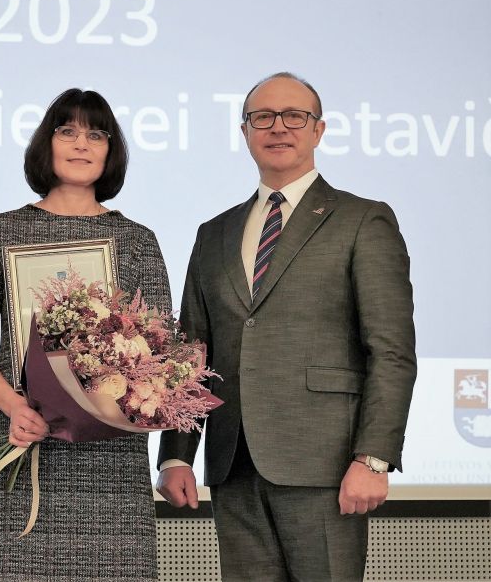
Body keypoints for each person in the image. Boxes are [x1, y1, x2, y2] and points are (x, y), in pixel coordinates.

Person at [157, 72, 416, 581]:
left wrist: (374, 458)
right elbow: (191, 353)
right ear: (245, 132)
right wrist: (176, 456)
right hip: (234, 464)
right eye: (263, 117)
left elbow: (391, 352)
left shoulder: (363, 220)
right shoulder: (214, 233)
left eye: (294, 116)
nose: (278, 127)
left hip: (326, 465)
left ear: (318, 130)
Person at [0, 88, 170, 582]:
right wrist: (16, 407)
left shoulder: (137, 240)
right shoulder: (0, 231)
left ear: (111, 151)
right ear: (45, 144)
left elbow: (158, 355)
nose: (81, 144)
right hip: (21, 441)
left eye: (96, 134)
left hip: (111, 457)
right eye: (67, 131)